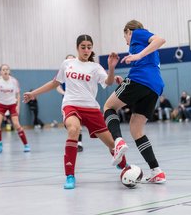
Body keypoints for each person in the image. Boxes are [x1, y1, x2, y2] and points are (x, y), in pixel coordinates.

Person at [23, 34, 128, 189]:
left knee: (112, 143)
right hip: (71, 104)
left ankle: (125, 168)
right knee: (73, 130)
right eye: (83, 47)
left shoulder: (96, 67)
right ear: (77, 47)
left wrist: (111, 68)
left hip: (91, 108)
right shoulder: (67, 64)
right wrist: (34, 93)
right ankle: (70, 175)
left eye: (89, 47)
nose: (86, 50)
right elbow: (54, 83)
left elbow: (108, 82)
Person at [103, 20, 166, 183]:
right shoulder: (145, 47)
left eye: (125, 36)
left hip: (140, 79)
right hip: (154, 86)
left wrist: (137, 55)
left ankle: (117, 141)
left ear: (128, 31)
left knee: (109, 107)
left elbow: (160, 40)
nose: (125, 40)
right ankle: (156, 171)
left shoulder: (138, 33)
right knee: (136, 129)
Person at [0, 64, 31, 153]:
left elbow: (18, 94)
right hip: (1, 105)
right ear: (0, 72)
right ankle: (0, 143)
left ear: (9, 71)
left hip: (12, 104)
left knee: (16, 124)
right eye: (3, 70)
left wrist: (18, 106)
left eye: (7, 69)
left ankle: (26, 144)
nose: (5, 71)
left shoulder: (14, 81)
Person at [56, 54, 84, 152]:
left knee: (78, 124)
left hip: (79, 101)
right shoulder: (63, 72)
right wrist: (64, 92)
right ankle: (73, 141)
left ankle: (79, 143)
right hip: (68, 102)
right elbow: (57, 86)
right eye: (68, 60)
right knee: (71, 125)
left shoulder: (80, 73)